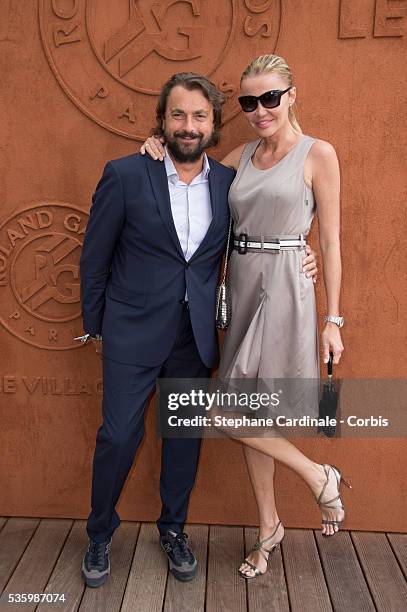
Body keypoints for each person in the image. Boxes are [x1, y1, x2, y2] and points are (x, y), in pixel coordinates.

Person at [78, 70, 319, 587]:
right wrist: (96, 325)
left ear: (214, 125)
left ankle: (173, 528)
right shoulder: (125, 174)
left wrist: (302, 256)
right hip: (131, 332)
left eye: (199, 116)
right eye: (178, 115)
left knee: (183, 439)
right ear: (162, 122)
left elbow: (264, 228)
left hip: (194, 335)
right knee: (119, 437)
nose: (188, 126)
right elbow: (94, 257)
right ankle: (99, 533)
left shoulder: (230, 183)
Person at [141, 54, 351, 581]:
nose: (260, 110)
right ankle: (271, 524)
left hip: (286, 287)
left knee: (238, 414)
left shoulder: (317, 154)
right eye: (249, 102)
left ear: (291, 96)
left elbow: (330, 243)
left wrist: (334, 320)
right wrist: (152, 148)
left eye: (270, 99)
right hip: (240, 289)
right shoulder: (237, 155)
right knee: (245, 413)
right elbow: (187, 172)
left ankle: (317, 477)